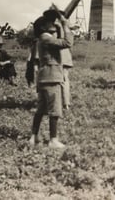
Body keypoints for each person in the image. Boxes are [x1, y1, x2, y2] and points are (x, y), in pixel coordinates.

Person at [29, 11, 73, 149]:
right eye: (50, 22)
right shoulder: (46, 38)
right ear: (43, 27)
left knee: (41, 109)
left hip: (45, 77)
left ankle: (34, 136)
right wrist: (65, 25)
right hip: (52, 77)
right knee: (55, 110)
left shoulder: (43, 38)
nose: (53, 23)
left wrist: (60, 26)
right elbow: (67, 42)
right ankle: (53, 140)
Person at [43, 7, 74, 110]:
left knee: (61, 80)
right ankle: (65, 103)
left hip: (60, 55)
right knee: (64, 79)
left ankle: (64, 103)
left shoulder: (54, 27)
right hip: (64, 55)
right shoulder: (63, 25)